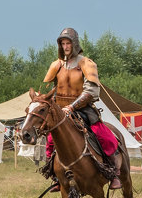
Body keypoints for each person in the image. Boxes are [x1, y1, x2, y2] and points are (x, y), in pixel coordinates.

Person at [42, 27, 123, 189]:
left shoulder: (86, 63)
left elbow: (92, 91)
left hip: (82, 109)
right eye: (63, 43)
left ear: (75, 44)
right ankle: (56, 176)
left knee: (105, 137)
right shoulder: (56, 65)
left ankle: (113, 173)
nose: (65, 47)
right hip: (59, 111)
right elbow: (52, 90)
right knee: (50, 142)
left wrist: (72, 107)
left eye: (68, 43)